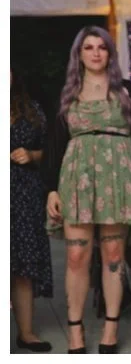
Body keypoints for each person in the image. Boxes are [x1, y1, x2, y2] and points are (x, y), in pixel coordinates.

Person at [43, 26, 131, 354]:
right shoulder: (66, 93)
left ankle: (110, 332)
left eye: (102, 47)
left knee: (114, 255)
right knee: (76, 255)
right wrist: (51, 189)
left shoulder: (127, 91)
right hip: (77, 179)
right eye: (89, 47)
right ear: (79, 54)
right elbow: (55, 142)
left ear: (110, 53)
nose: (96, 53)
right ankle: (75, 331)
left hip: (118, 176)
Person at [10, 72, 54, 353]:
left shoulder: (31, 110)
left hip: (24, 194)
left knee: (24, 265)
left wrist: (32, 155)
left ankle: (26, 333)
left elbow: (51, 150)